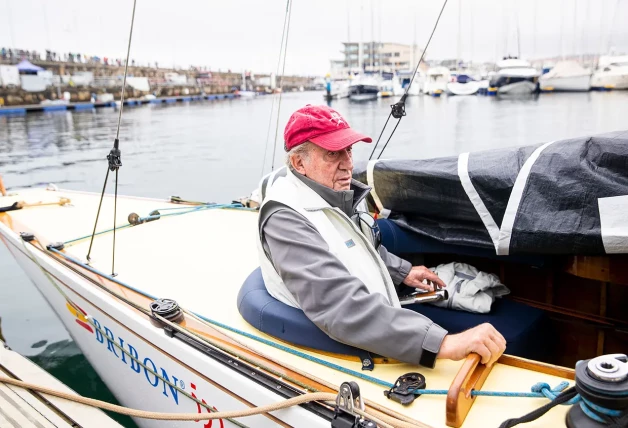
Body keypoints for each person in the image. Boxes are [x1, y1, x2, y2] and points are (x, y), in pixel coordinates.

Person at [258, 105, 506, 368]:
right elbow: (339, 306)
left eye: (349, 150)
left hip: (376, 329)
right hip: (343, 353)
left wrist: (403, 271)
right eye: (333, 153)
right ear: (299, 163)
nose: (349, 164)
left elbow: (358, 245)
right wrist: (444, 344)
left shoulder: (336, 194)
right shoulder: (285, 218)